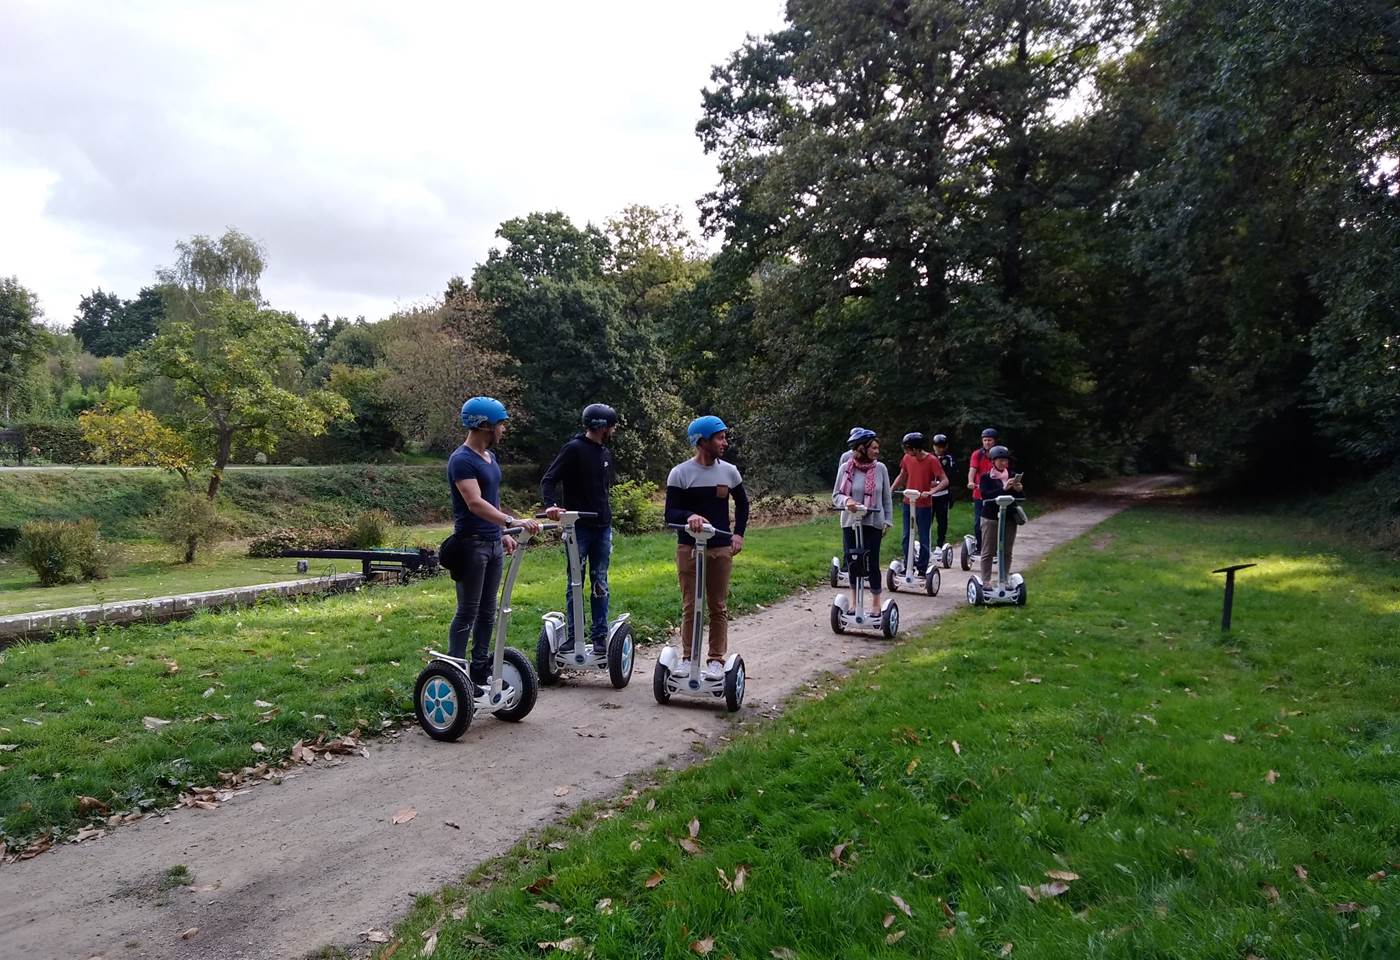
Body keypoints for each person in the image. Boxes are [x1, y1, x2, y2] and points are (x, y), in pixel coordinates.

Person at [445, 396, 541, 694]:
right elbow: (474, 502)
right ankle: (456, 671)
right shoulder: (461, 459)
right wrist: (512, 521)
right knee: (468, 610)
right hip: (471, 546)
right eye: (501, 424)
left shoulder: (490, 457)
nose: (504, 429)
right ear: (485, 425)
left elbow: (491, 500)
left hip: (493, 544)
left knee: (489, 611)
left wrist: (502, 532)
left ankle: (480, 669)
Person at [664, 416, 750, 679]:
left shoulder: (729, 471)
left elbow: (743, 504)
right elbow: (670, 513)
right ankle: (688, 658)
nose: (725, 443)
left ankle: (715, 660)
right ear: (702, 441)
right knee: (691, 605)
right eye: (719, 438)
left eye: (725, 437)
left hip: (720, 547)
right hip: (689, 548)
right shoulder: (680, 473)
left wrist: (738, 534)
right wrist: (689, 515)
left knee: (717, 605)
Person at [541, 403, 618, 654]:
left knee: (600, 581)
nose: (613, 430)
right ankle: (574, 637)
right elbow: (549, 479)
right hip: (578, 529)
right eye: (611, 426)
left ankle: (599, 636)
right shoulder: (574, 449)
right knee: (575, 581)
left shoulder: (604, 453)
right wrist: (552, 506)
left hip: (602, 527)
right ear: (602, 426)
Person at [832, 427, 893, 617]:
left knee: (872, 562)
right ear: (862, 448)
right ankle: (853, 602)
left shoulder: (880, 469)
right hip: (850, 522)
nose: (877, 451)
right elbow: (836, 495)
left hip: (873, 521)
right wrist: (847, 501)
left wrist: (888, 520)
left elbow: (886, 498)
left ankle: (876, 603)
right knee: (853, 561)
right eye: (873, 448)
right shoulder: (846, 468)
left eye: (877, 448)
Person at [890, 431, 947, 575]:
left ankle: (922, 568)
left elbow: (945, 480)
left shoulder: (932, 460)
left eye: (908, 448)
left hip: (924, 505)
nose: (905, 451)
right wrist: (890, 490)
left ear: (916, 448)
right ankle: (908, 565)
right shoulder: (907, 458)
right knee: (906, 537)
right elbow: (902, 476)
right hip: (908, 502)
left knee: (923, 537)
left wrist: (931, 492)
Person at [977, 444, 1024, 583]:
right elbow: (986, 496)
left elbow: (1020, 498)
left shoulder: (1012, 475)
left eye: (1006, 460)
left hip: (1009, 517)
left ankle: (1003, 580)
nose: (1004, 463)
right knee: (988, 551)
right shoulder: (986, 477)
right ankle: (985, 581)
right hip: (991, 517)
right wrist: (1004, 488)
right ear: (993, 461)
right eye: (1001, 460)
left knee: (1007, 551)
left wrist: (1019, 489)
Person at [966, 428, 998, 555]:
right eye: (985, 440)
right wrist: (970, 481)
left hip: (994, 494)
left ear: (994, 441)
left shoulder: (999, 454)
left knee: (993, 522)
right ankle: (980, 547)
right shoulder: (977, 454)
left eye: (989, 440)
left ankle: (994, 549)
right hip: (979, 493)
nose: (987, 443)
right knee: (978, 523)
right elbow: (972, 470)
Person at [931, 433, 955, 549]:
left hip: (943, 494)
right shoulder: (930, 457)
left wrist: (937, 483)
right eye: (937, 446)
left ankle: (940, 544)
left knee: (942, 521)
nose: (939, 449)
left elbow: (949, 476)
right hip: (930, 494)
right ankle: (926, 543)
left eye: (942, 447)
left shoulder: (948, 459)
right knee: (927, 520)